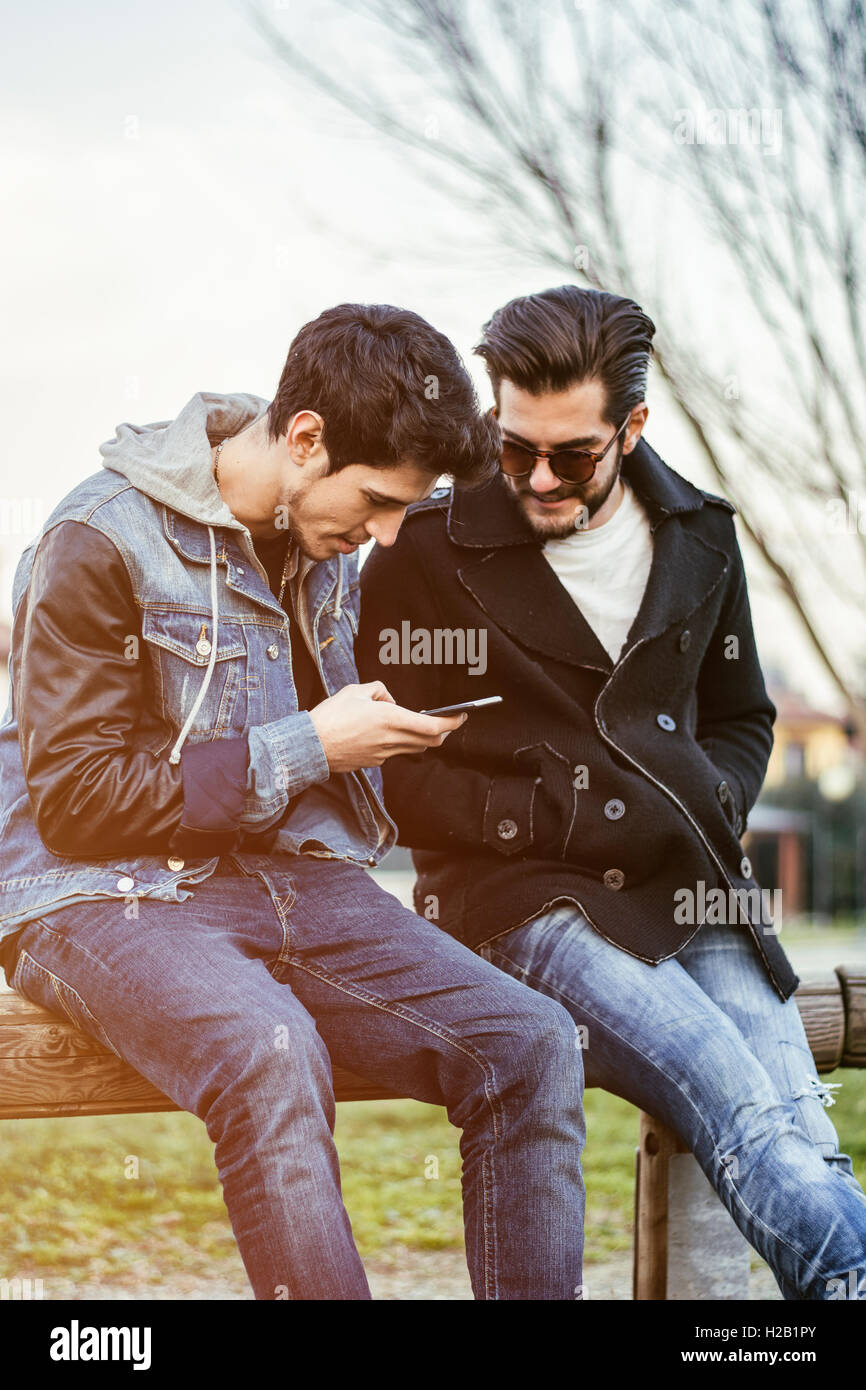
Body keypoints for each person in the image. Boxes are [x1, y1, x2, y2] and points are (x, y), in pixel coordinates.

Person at [0, 303, 586, 1301]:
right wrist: (310, 743)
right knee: (269, 1052)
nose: (388, 530)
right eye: (379, 499)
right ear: (306, 439)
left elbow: (302, 746)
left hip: (285, 876)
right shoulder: (95, 538)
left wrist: (391, 731)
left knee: (528, 1044)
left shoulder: (320, 545)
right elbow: (78, 801)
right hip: (95, 890)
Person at [356, 285, 866, 1301]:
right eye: (513, 446)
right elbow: (378, 762)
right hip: (526, 898)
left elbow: (740, 717)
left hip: (695, 889)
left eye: (571, 454)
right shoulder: (421, 546)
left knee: (804, 1130)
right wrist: (529, 816)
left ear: (631, 427)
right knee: (742, 1110)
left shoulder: (703, 537)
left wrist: (700, 798)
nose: (536, 477)